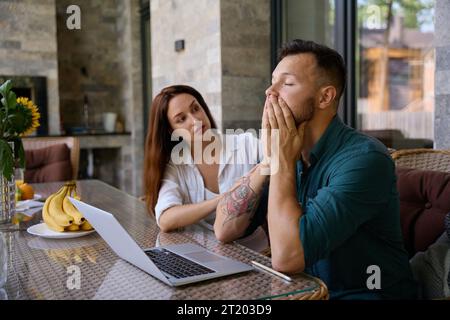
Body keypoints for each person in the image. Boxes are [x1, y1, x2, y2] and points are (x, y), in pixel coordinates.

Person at [214, 39, 417, 299]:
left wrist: (282, 162)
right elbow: (224, 228)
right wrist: (269, 162)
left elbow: (287, 259)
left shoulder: (365, 159)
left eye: (286, 84)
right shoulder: (289, 152)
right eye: (273, 81)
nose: (269, 91)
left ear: (325, 97)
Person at [143, 85, 268, 252]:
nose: (195, 120)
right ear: (170, 130)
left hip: (255, 253)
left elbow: (279, 160)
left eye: (195, 108)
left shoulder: (246, 144)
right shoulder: (176, 166)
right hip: (205, 256)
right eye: (181, 119)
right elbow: (166, 219)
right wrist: (223, 199)